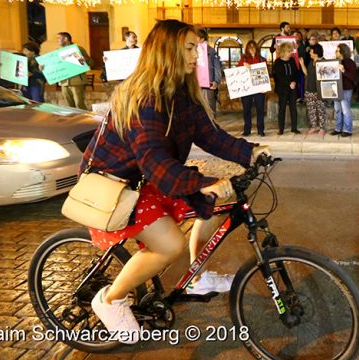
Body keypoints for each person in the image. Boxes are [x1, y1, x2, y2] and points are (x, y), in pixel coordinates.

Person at [82, 19, 267, 342]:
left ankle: (197, 277)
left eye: (197, 48)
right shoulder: (144, 99)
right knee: (170, 245)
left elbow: (211, 136)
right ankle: (110, 300)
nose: (197, 55)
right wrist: (201, 183)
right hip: (117, 184)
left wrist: (251, 153)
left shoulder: (181, 93)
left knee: (222, 198)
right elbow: (154, 162)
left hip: (146, 177)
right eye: (190, 48)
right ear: (167, 52)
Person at [56, 32, 91, 110]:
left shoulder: (78, 49)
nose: (57, 40)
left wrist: (84, 60)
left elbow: (91, 62)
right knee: (69, 106)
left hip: (77, 81)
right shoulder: (58, 52)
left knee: (79, 104)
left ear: (66, 39)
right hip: (64, 82)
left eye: (59, 38)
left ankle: (84, 121)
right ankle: (72, 121)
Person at [239, 41, 266, 137]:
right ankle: (247, 130)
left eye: (254, 47)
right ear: (247, 49)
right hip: (247, 89)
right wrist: (243, 64)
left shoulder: (262, 59)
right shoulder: (244, 58)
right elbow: (238, 70)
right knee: (246, 109)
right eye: (250, 47)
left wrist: (265, 87)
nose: (252, 49)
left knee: (260, 109)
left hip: (259, 88)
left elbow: (264, 74)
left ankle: (261, 130)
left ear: (257, 48)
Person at [273, 42, 300, 135]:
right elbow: (278, 77)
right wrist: (289, 83)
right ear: (284, 52)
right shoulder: (277, 62)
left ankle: (294, 128)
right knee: (282, 108)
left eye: (291, 51)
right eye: (289, 51)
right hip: (282, 89)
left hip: (293, 88)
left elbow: (297, 73)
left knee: (293, 108)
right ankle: (281, 129)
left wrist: (294, 82)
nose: (291, 53)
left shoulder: (292, 60)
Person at [331, 43, 356, 137]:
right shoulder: (336, 61)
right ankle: (338, 128)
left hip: (346, 89)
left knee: (345, 110)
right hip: (336, 88)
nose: (336, 52)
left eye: (337, 50)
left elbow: (353, 77)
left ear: (342, 52)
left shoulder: (349, 62)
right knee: (337, 110)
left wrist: (344, 71)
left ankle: (348, 130)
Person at [301, 43, 327, 135]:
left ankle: (322, 128)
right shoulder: (311, 62)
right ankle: (313, 126)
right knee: (311, 109)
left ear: (316, 53)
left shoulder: (324, 62)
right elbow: (307, 73)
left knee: (321, 110)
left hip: (320, 91)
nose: (310, 53)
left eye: (311, 52)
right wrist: (302, 64)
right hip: (309, 90)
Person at [196, 29, 222, 115]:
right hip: (195, 85)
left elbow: (217, 67)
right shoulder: (193, 50)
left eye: (196, 37)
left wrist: (216, 81)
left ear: (202, 39)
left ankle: (212, 127)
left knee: (210, 110)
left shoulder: (211, 51)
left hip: (208, 85)